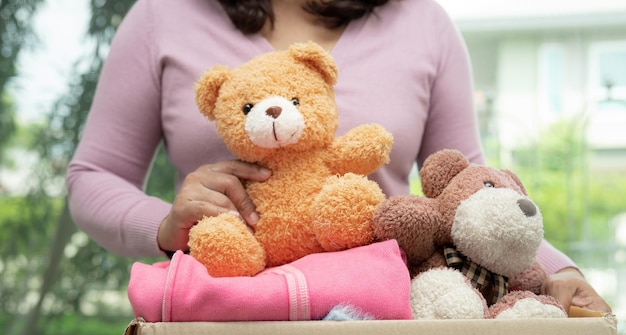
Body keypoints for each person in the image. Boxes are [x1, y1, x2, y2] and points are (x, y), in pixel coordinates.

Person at [65, 0, 611, 313]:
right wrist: (164, 225)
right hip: (222, 323)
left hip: (388, 322)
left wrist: (560, 272)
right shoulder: (164, 15)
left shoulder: (422, 23)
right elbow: (94, 176)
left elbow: (469, 194)